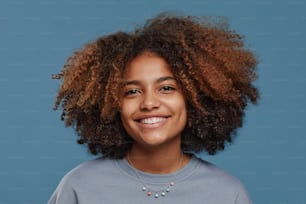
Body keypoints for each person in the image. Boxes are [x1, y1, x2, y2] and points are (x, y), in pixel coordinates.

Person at [48, 12, 258, 204]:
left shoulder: (227, 194)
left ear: (196, 98)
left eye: (166, 88)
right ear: (112, 104)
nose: (149, 103)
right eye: (131, 91)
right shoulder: (79, 187)